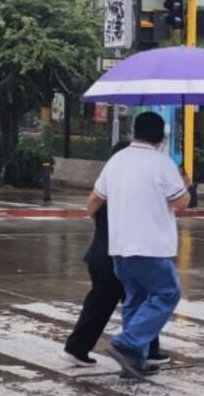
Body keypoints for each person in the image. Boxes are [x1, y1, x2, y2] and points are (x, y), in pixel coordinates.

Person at [88, 111, 190, 378]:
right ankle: (127, 343)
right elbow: (181, 202)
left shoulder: (116, 161)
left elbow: (93, 201)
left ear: (135, 131)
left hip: (120, 246)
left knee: (136, 300)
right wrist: (185, 184)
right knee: (168, 293)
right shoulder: (162, 164)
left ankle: (134, 361)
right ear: (160, 136)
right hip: (151, 247)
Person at [63, 141, 168, 368]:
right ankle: (141, 349)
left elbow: (92, 207)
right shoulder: (129, 191)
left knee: (112, 302)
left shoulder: (108, 186)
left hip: (101, 255)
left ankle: (79, 348)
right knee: (140, 299)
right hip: (119, 255)